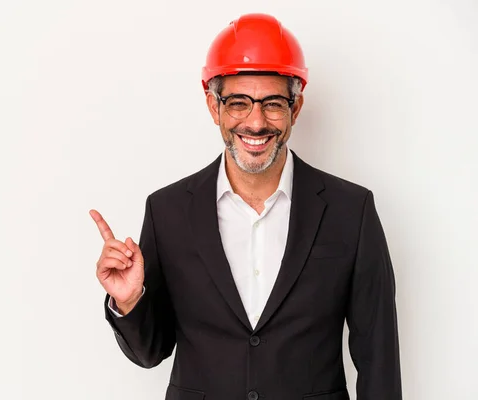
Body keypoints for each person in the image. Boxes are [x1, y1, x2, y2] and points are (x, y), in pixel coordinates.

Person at [90, 13, 402, 400]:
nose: (256, 122)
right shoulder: (167, 211)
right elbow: (151, 352)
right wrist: (129, 300)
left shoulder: (351, 212)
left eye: (272, 103)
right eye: (238, 103)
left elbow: (379, 360)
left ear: (296, 108)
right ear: (213, 106)